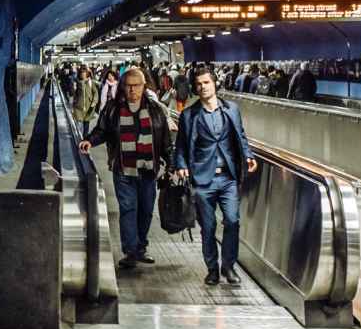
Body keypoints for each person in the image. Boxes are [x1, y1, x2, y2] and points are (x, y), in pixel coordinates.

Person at [174, 66, 259, 287]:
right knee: (208, 226)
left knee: (232, 220)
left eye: (206, 83)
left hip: (228, 177)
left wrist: (248, 155)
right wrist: (181, 165)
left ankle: (228, 266)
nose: (203, 87)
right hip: (203, 180)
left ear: (214, 84)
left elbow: (240, 136)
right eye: (199, 84)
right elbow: (181, 145)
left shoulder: (231, 110)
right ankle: (212, 269)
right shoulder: (189, 115)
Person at [79, 66, 171, 269]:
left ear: (144, 86)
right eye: (128, 86)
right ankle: (130, 251)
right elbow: (102, 130)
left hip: (148, 170)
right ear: (123, 87)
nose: (132, 90)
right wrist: (89, 141)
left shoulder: (155, 110)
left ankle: (141, 247)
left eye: (136, 86)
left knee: (146, 211)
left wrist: (172, 163)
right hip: (123, 169)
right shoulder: (113, 109)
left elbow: (165, 141)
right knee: (128, 209)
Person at [72, 66, 99, 134]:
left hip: (88, 106)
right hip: (79, 106)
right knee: (79, 123)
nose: (83, 75)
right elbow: (76, 94)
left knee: (86, 123)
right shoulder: (78, 82)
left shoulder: (90, 82)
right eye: (81, 73)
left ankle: (85, 137)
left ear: (87, 74)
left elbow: (95, 92)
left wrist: (94, 101)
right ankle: (79, 136)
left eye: (84, 73)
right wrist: (74, 103)